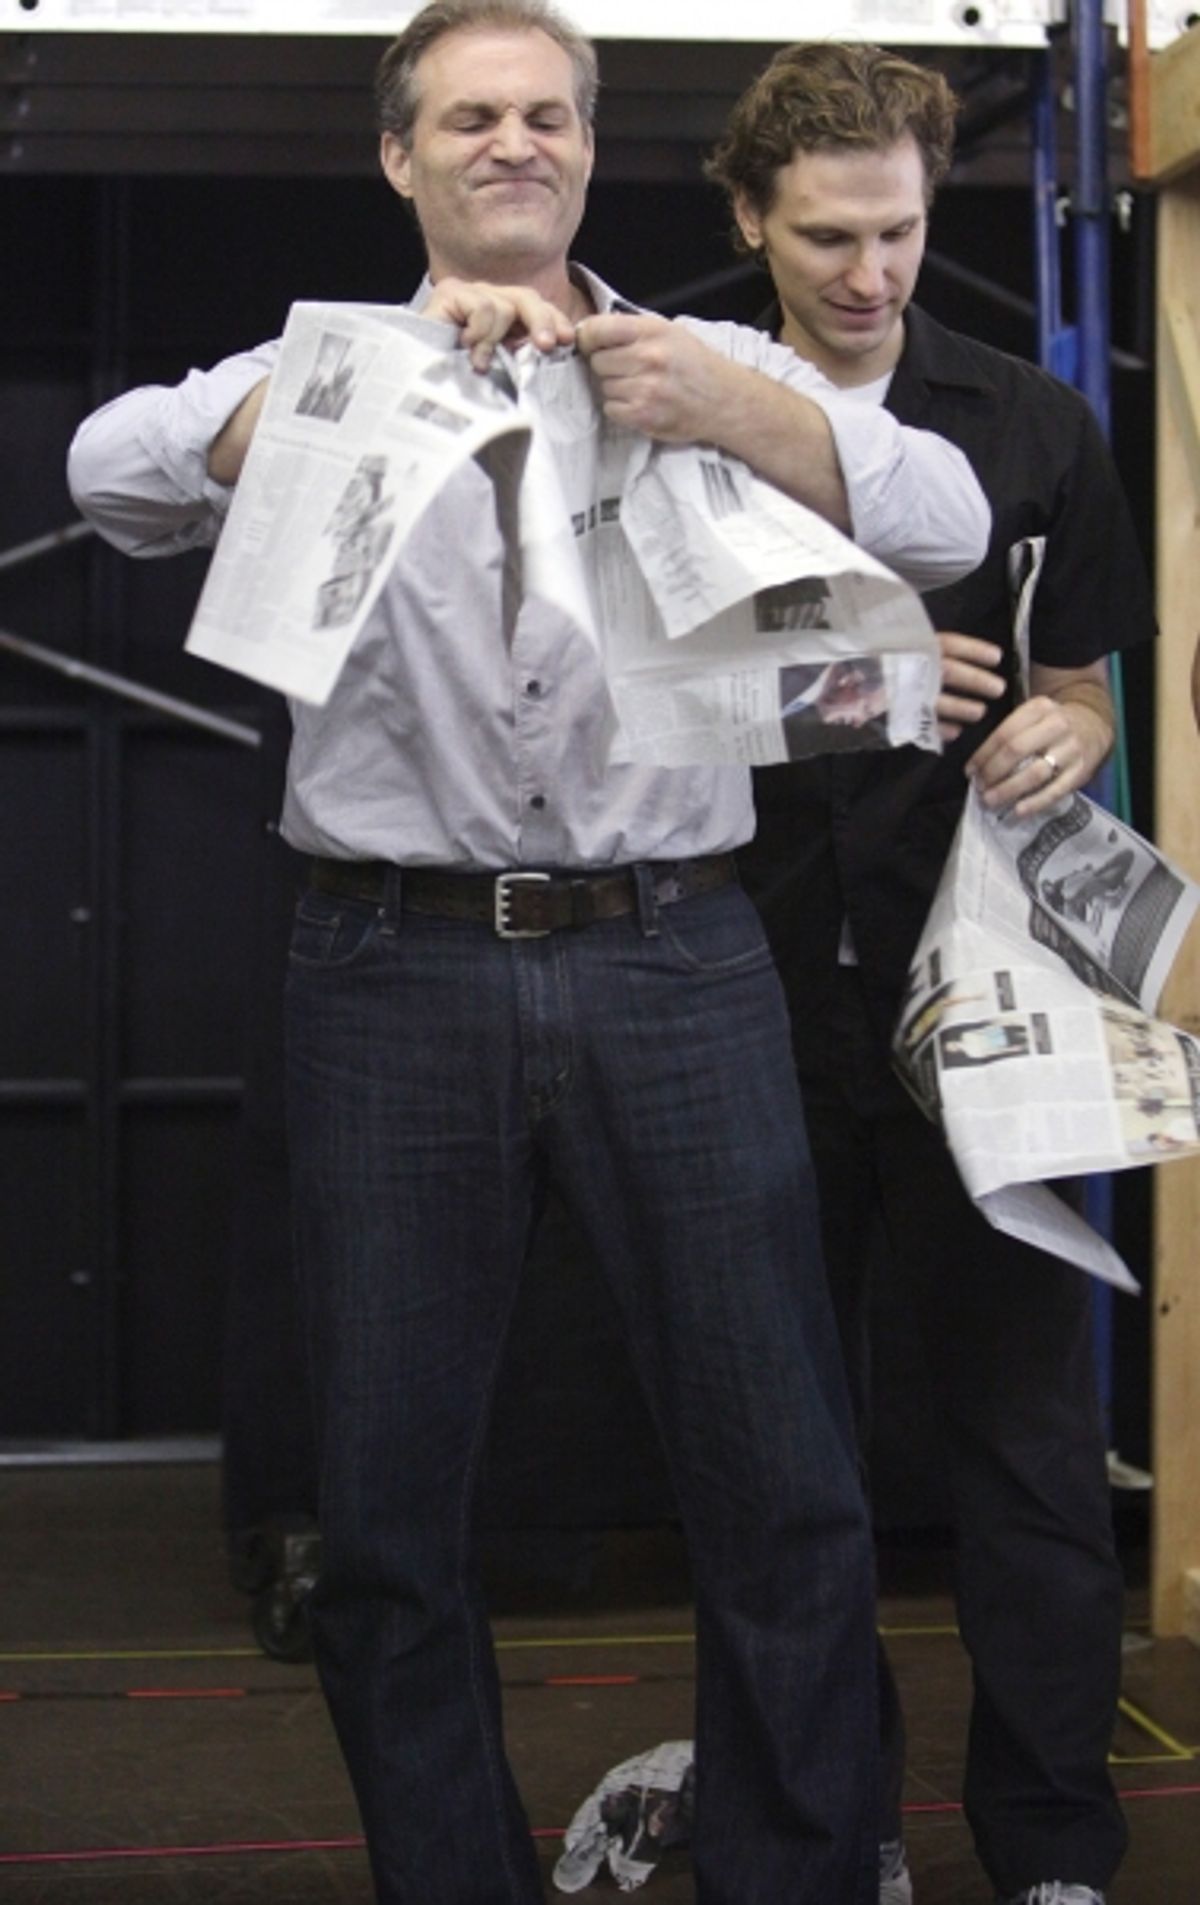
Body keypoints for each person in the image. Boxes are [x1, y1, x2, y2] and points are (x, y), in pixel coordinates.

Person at [66, 7, 991, 1900]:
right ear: (399, 158)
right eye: (473, 117)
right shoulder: (317, 368)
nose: (517, 141)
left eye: (550, 115)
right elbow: (113, 468)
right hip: (388, 970)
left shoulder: (712, 355)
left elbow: (953, 517)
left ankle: (798, 1872)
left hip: (678, 960)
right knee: (394, 1516)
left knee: (786, 1487)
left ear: (586, 153)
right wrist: (328, 409)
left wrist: (741, 407)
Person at [706, 40, 1157, 1905]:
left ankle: (1052, 1849)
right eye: (826, 236)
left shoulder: (1035, 422)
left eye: (898, 228)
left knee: (1034, 1455)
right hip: (729, 1000)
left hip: (990, 1003)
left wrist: (1067, 732)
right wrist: (844, 689)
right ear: (750, 220)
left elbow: (1080, 693)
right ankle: (834, 1839)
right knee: (767, 1470)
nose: (870, 271)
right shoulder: (675, 405)